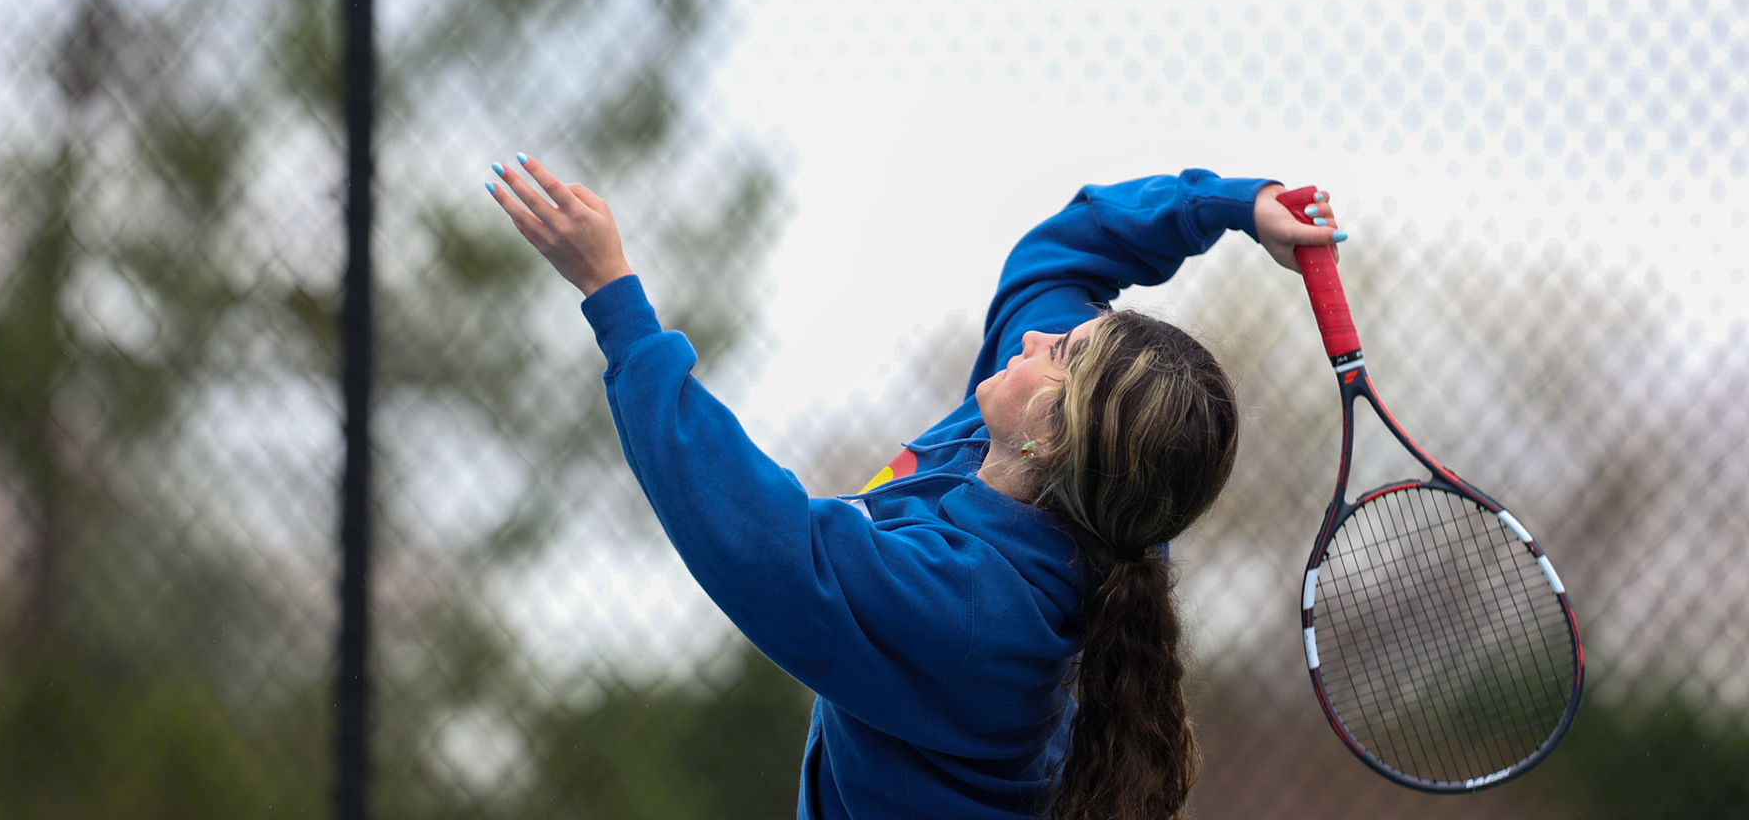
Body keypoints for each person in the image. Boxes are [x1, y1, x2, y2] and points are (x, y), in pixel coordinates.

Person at [486, 156, 1345, 819]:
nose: (1039, 334)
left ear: (1053, 435)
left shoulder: (964, 612)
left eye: (1064, 353)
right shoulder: (1066, 486)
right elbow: (1058, 257)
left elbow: (761, 538)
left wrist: (617, 304)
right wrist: (1236, 206)